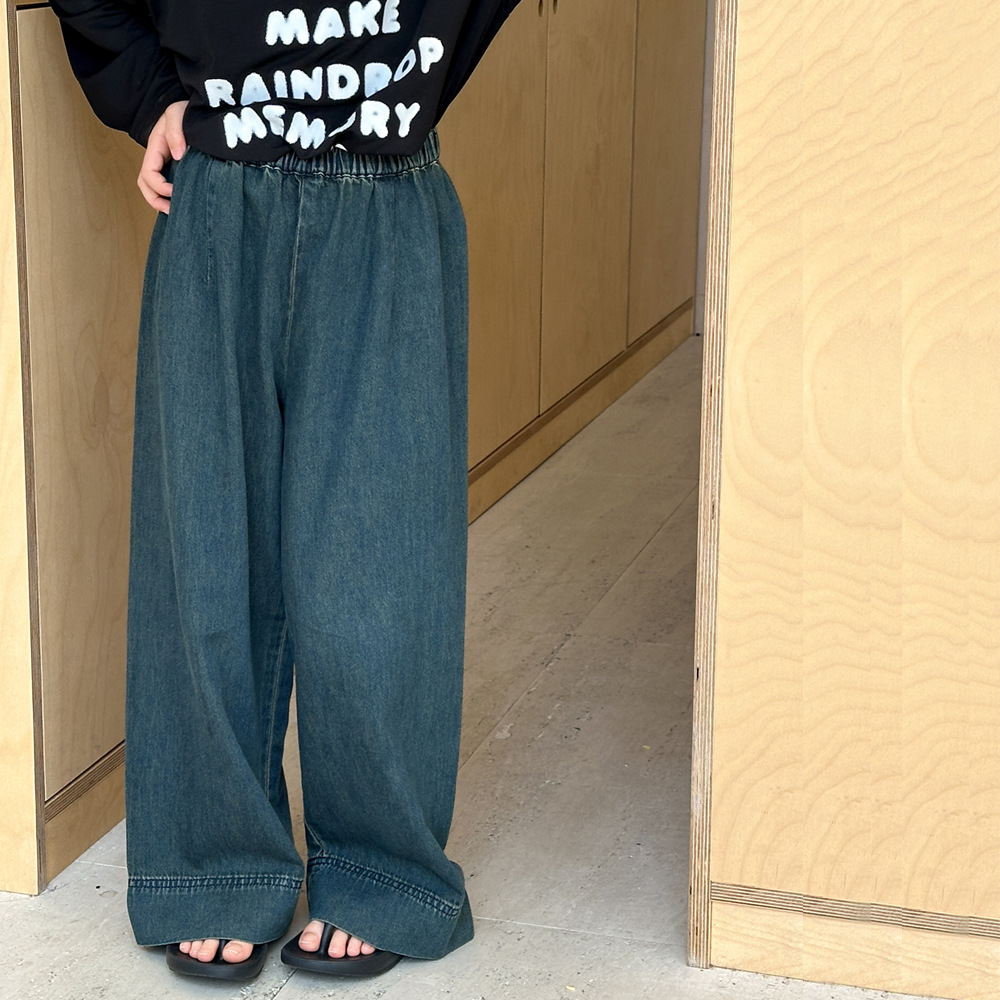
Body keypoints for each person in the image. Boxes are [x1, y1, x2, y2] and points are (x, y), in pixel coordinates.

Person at [49, 0, 521, 982]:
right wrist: (151, 93)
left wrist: (411, 85)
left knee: (380, 563)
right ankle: (213, 865)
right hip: (218, 195)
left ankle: (382, 869)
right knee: (205, 554)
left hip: (387, 190)